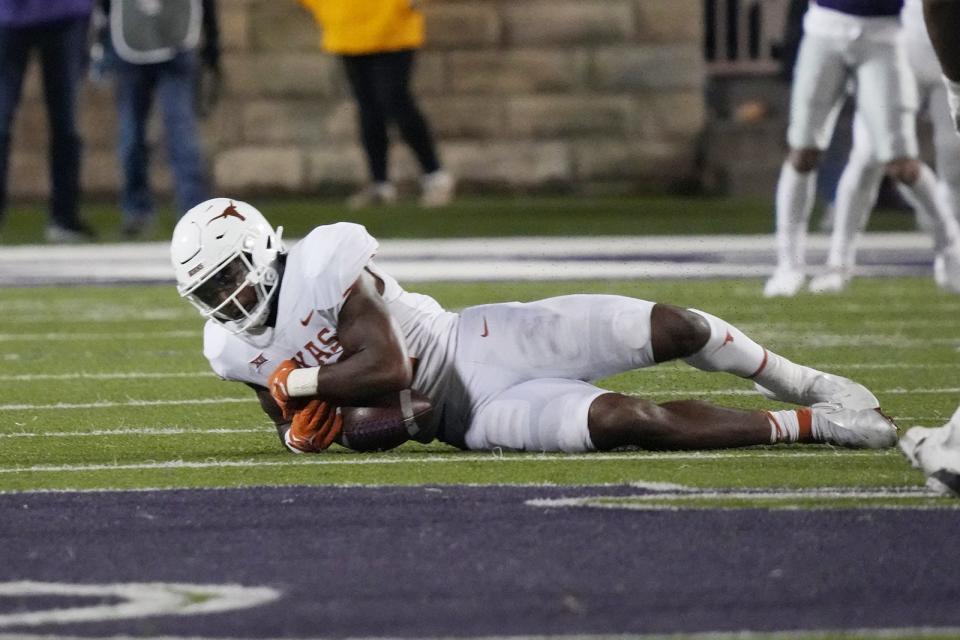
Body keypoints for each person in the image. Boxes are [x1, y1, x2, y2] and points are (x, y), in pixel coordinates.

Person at [170, 197, 898, 455]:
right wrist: (302, 438)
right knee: (624, 421)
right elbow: (288, 414)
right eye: (212, 289)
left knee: (674, 326)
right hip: (473, 418)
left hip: (482, 338)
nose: (228, 298)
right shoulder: (227, 345)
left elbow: (388, 369)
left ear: (264, 251)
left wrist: (301, 379)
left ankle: (803, 380)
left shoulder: (327, 261)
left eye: (231, 275)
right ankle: (815, 424)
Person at [764, 0, 947, 297]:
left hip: (883, 36)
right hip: (823, 27)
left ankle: (949, 246)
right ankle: (789, 264)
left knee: (901, 163)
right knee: (803, 152)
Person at [298, 0, 454, 209]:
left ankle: (434, 176)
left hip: (392, 29)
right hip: (346, 29)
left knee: (395, 101)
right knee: (368, 109)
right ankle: (380, 183)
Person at [98, 0, 219, 239]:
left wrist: (212, 39)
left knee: (179, 132)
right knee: (133, 134)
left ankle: (194, 211)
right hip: (132, 42)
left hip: (175, 41)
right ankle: (139, 210)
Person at [0, 0, 96, 243]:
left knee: (67, 123)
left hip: (65, 14)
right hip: (9, 16)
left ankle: (64, 217)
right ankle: (64, 218)